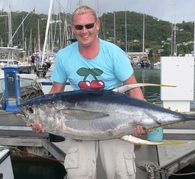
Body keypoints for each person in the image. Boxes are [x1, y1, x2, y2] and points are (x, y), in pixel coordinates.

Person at [28, 5, 147, 179]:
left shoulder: (114, 53)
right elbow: (55, 92)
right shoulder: (64, 56)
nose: (84, 31)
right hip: (79, 123)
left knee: (121, 173)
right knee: (78, 173)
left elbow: (134, 90)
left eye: (89, 25)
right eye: (79, 27)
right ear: (73, 28)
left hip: (115, 119)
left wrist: (141, 122)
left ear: (97, 25)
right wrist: (41, 118)